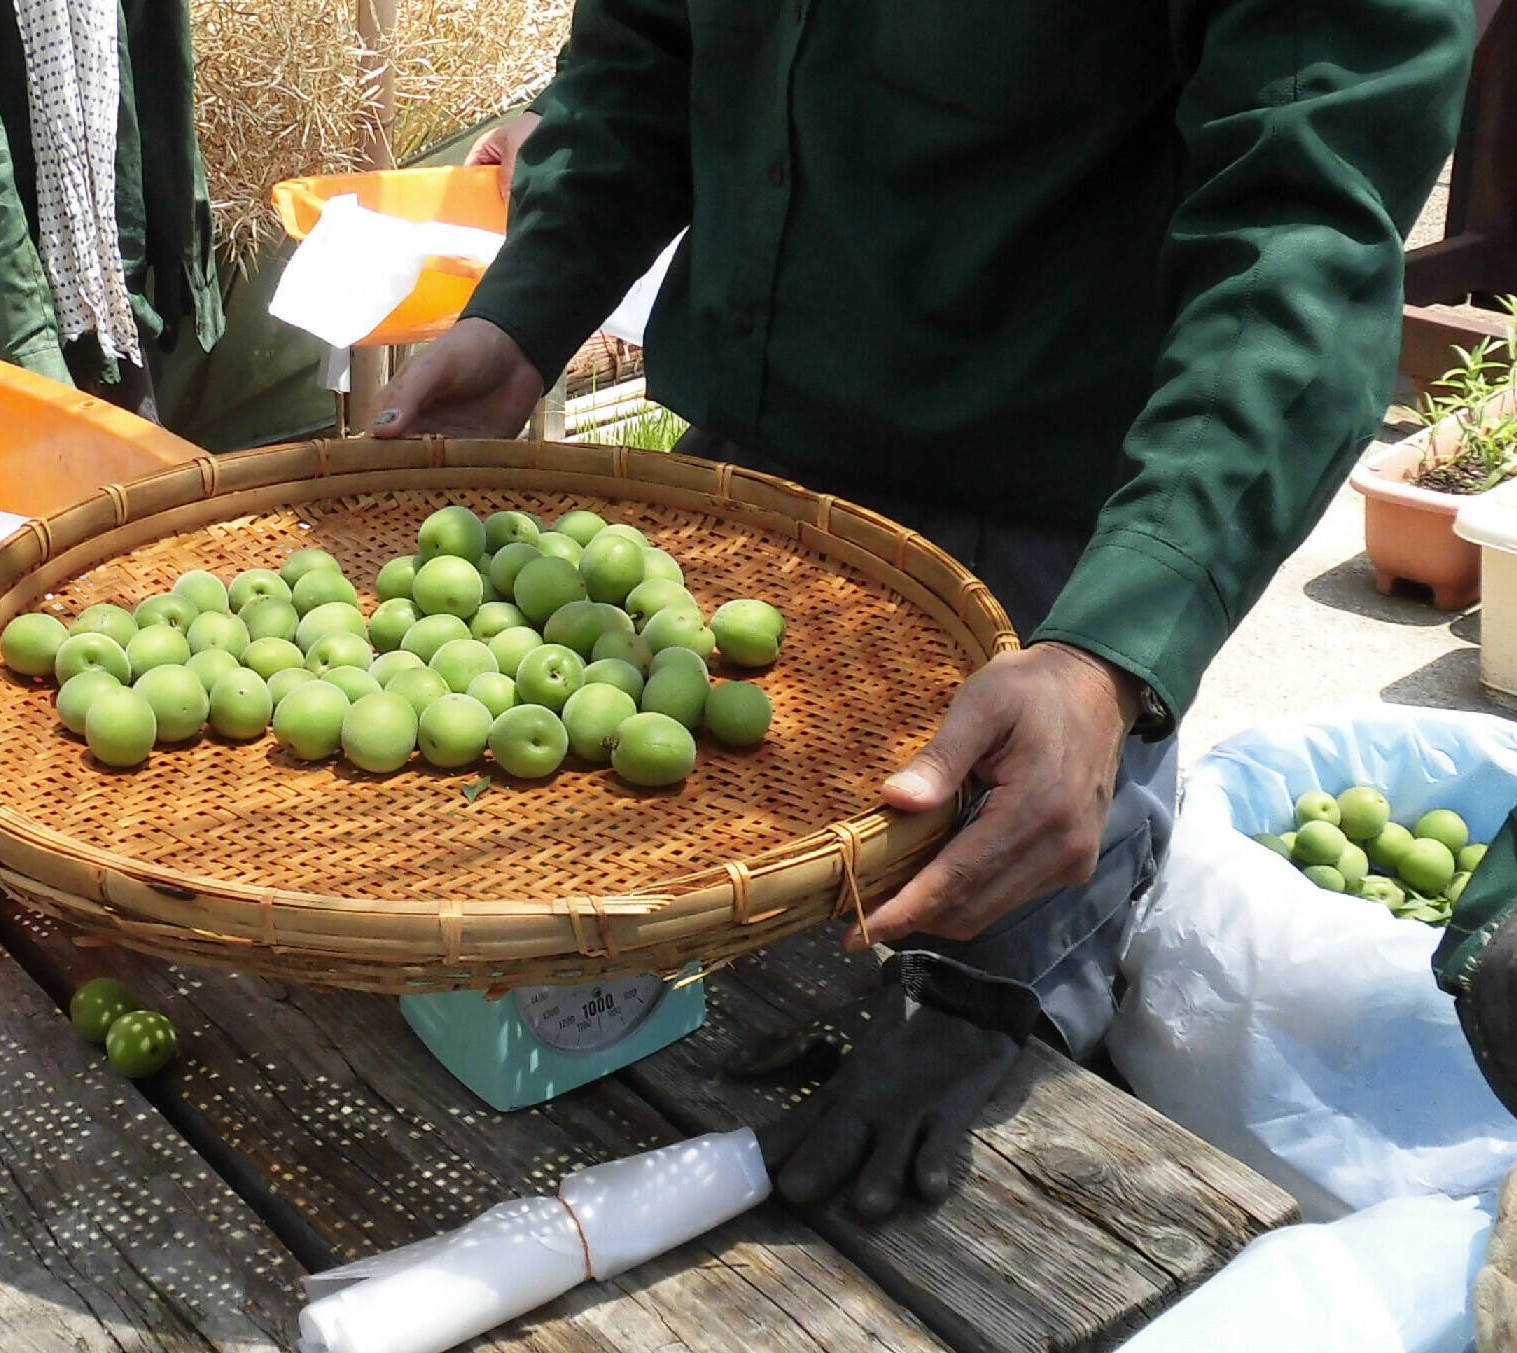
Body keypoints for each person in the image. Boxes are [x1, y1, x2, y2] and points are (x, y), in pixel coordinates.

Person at [374, 1, 1477, 1217]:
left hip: (1042, 587)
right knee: (630, 1048)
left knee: (942, 1164)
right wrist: (525, 310)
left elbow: (1303, 237)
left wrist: (1114, 649)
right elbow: (646, 49)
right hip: (731, 522)